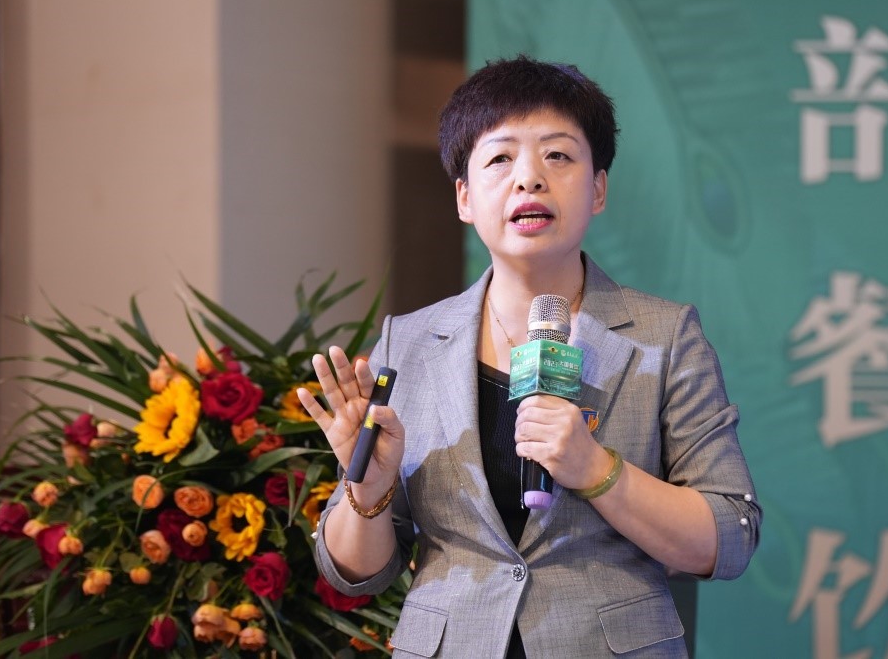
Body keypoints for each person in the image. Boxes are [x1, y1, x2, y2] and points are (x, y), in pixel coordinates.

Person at [300, 54, 761, 658]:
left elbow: (729, 538)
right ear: (464, 198)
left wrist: (597, 470)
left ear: (598, 189)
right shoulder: (406, 343)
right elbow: (356, 574)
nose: (529, 179)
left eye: (559, 156)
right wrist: (369, 486)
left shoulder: (666, 337)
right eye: (500, 158)